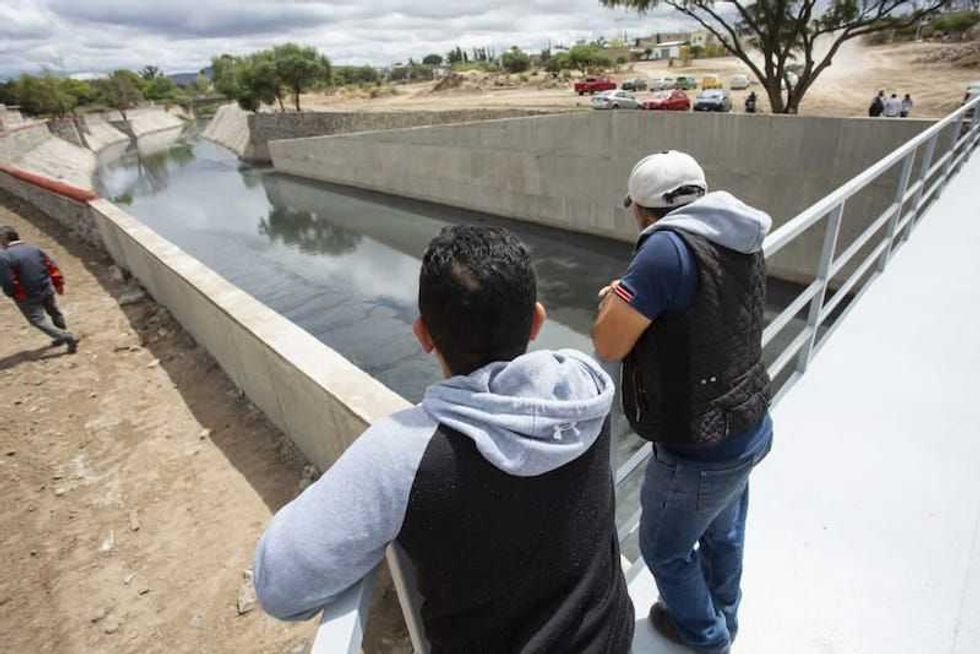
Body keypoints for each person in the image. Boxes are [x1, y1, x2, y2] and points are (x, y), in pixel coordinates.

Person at [254, 225, 635, 652]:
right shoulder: (587, 390)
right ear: (537, 321)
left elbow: (279, 588)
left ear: (422, 335)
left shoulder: (403, 454)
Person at [591, 151, 774, 654]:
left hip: (701, 445)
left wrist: (615, 300)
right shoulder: (735, 229)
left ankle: (708, 638)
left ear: (641, 210)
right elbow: (702, 307)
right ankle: (725, 617)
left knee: (663, 548)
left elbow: (609, 344)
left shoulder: (663, 251)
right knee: (723, 534)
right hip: (748, 420)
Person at [0, 226, 77, 353]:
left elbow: (7, 280)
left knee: (37, 320)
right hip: (45, 287)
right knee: (54, 312)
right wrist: (58, 283)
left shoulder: (5, 256)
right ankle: (61, 334)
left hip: (26, 294)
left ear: (4, 239)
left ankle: (65, 336)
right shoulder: (33, 248)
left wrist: (11, 293)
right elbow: (50, 265)